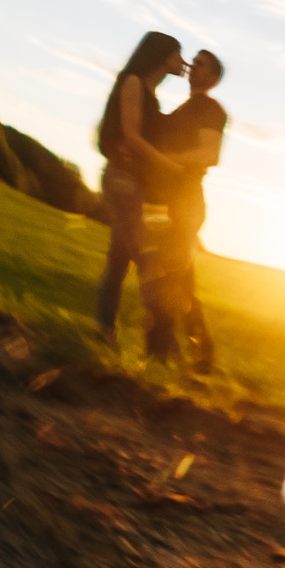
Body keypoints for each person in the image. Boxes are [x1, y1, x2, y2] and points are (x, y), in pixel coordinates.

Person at [95, 31, 184, 338]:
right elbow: (132, 136)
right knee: (148, 259)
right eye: (177, 55)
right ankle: (163, 344)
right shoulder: (133, 83)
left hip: (132, 181)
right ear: (162, 55)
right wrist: (169, 166)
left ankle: (104, 331)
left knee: (118, 262)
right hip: (122, 180)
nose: (182, 62)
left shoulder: (150, 92)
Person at [141, 51, 226, 369]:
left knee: (172, 277)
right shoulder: (186, 108)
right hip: (161, 201)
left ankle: (176, 355)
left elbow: (209, 154)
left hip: (186, 201)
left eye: (201, 63)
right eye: (193, 60)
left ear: (214, 79)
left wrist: (171, 159)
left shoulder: (211, 109)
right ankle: (178, 354)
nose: (192, 65)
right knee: (165, 275)